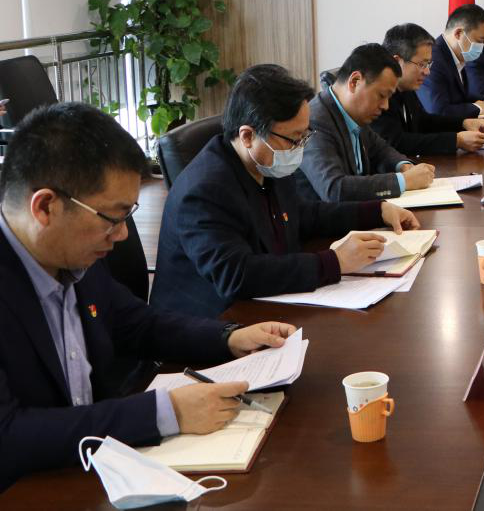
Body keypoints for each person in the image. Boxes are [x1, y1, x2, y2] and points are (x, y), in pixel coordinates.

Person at [0, 102, 297, 490]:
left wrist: (228, 337)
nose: (123, 234)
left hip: (97, 472)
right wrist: (164, 412)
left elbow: (136, 322)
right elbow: (8, 437)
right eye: (113, 217)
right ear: (45, 207)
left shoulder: (68, 252)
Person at [151, 64, 418, 319]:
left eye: (304, 136)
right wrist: (334, 261)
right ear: (247, 136)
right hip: (213, 325)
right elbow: (236, 275)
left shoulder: (265, 163)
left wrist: (376, 211)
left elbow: (302, 214)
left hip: (268, 305)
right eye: (294, 138)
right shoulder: (204, 190)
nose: (299, 148)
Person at [298, 43, 436, 201]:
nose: (385, 106)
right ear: (355, 81)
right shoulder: (314, 120)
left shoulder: (354, 113)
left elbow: (381, 149)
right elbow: (334, 188)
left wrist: (403, 165)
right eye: (381, 95)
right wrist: (403, 181)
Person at [373, 22, 484, 156]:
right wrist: (456, 140)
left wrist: (464, 123)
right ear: (397, 61)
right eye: (421, 64)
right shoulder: (379, 95)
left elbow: (423, 121)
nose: (427, 72)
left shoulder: (406, 87)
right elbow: (396, 143)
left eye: (428, 64)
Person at [418, 4, 484, 119]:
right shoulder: (433, 59)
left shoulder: (457, 56)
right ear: (458, 34)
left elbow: (460, 97)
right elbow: (438, 110)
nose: (482, 47)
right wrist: (478, 108)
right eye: (480, 41)